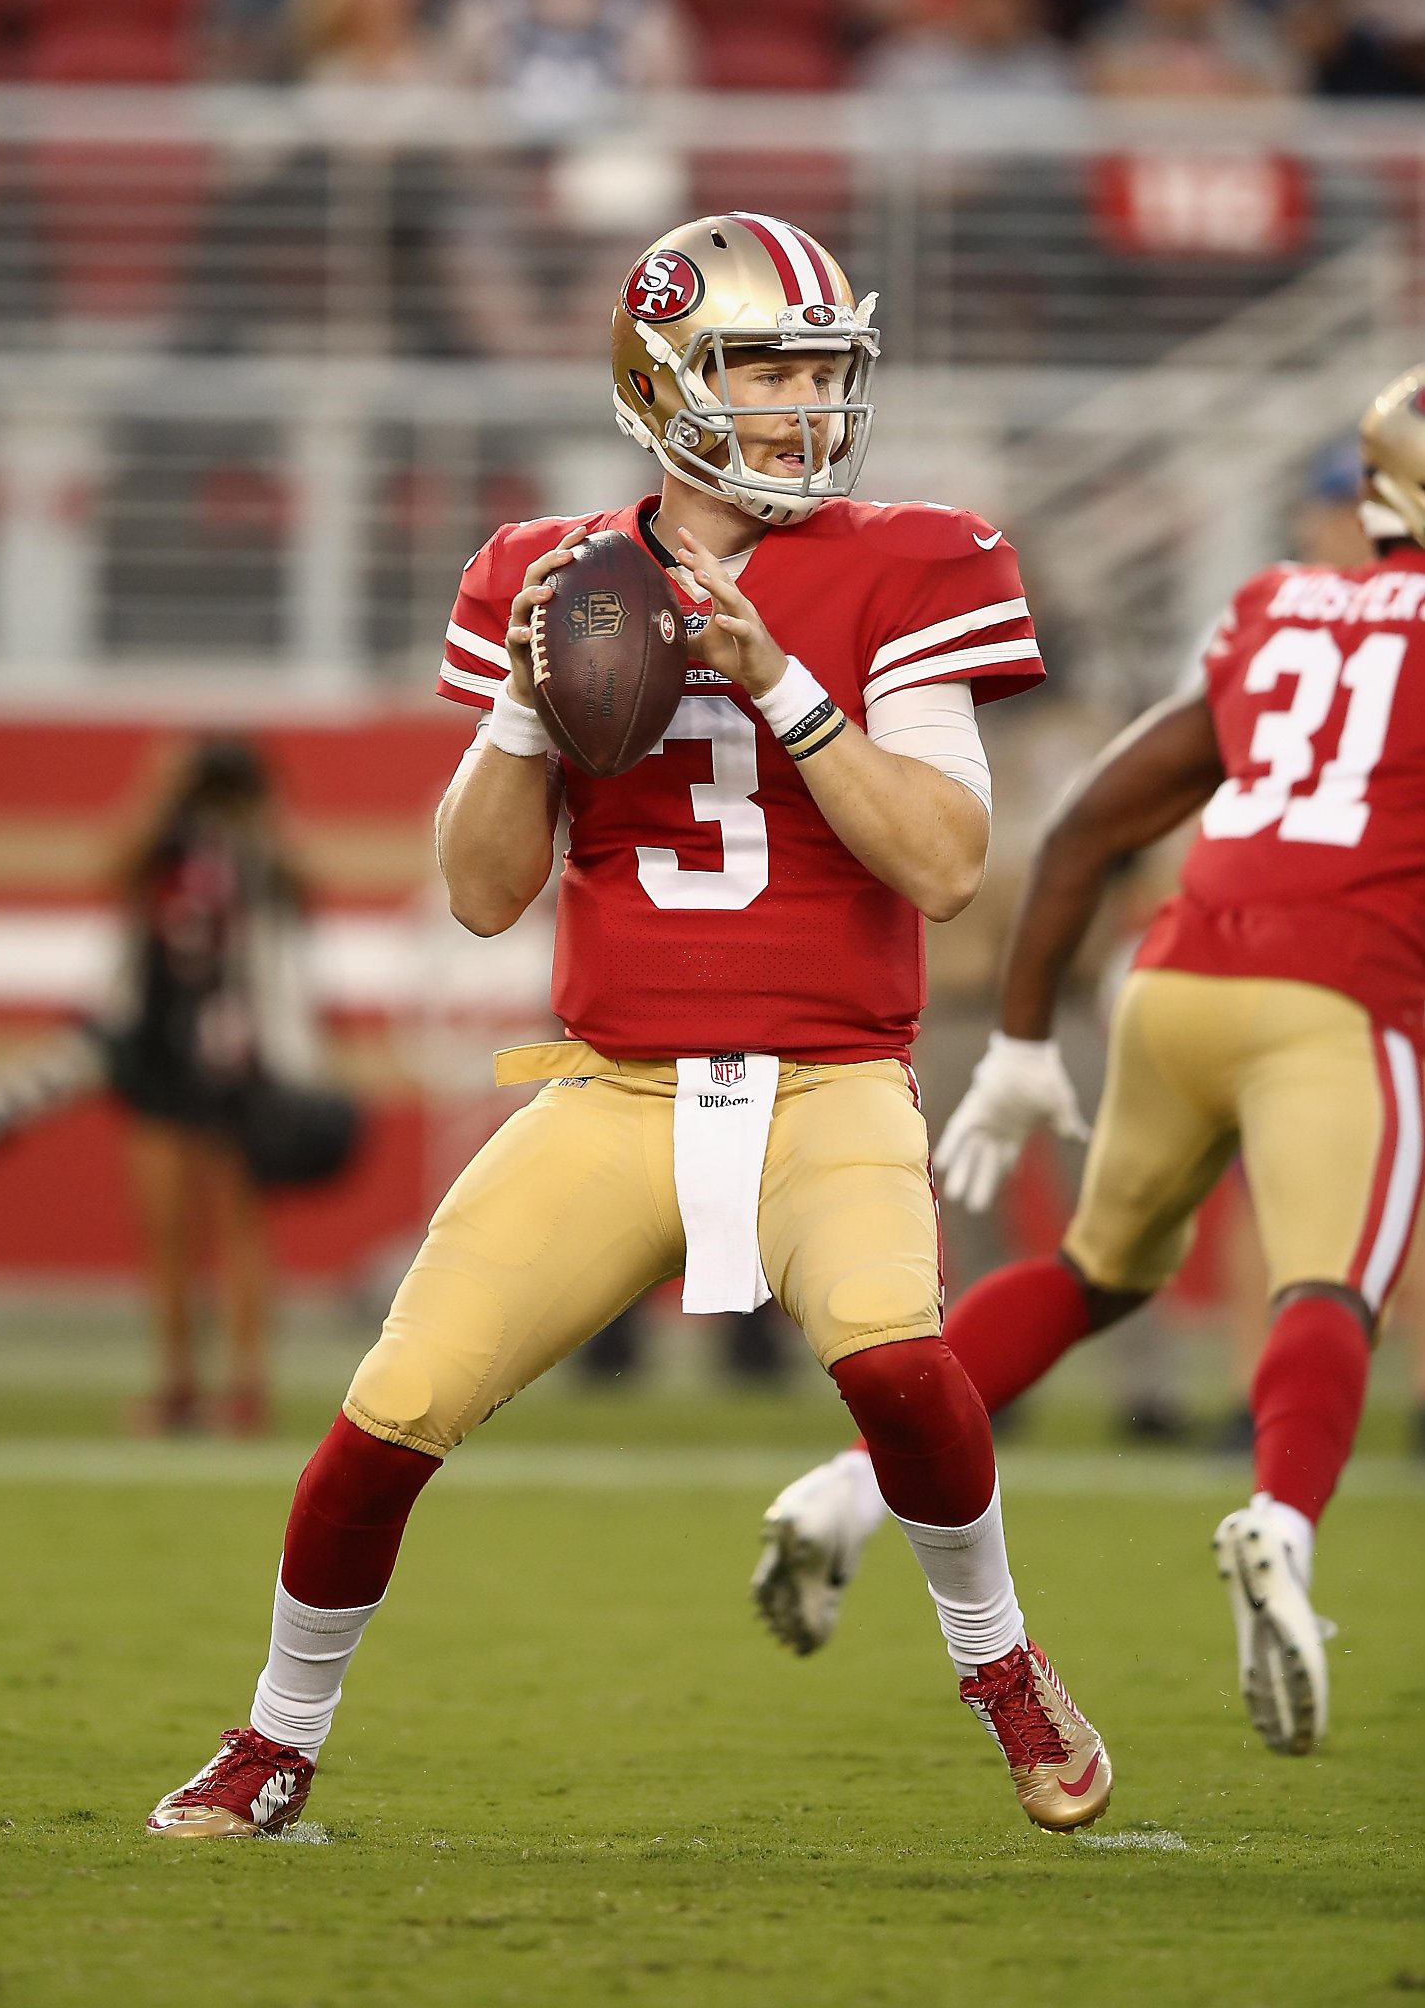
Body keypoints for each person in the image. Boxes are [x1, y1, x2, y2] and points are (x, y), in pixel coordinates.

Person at [145, 209, 1111, 1840]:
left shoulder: (911, 561)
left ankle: (1000, 1660)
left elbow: (945, 863)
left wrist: (787, 684)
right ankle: (275, 1734)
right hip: (609, 1086)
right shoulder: (546, 574)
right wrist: (526, 707)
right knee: (386, 1420)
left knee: (896, 1360)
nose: (807, 403)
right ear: (661, 378)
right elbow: (475, 890)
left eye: (823, 367)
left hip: (828, 1081)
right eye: (765, 366)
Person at [752, 365, 1425, 1762]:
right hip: (1338, 991)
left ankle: (843, 1490)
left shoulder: (1269, 607)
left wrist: (1014, 1040)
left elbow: (1085, 829)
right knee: (1331, 1287)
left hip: (1173, 978)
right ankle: (1281, 1529)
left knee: (1092, 1273)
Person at [0, 737, 326, 1434]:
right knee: (169, 1228)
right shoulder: (165, 841)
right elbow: (111, 869)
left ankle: (244, 1390)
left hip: (238, 1055)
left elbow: (302, 894)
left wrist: (262, 805)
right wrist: (162, 787)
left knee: (240, 1227)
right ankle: (179, 1385)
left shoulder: (257, 849)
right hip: (158, 1047)